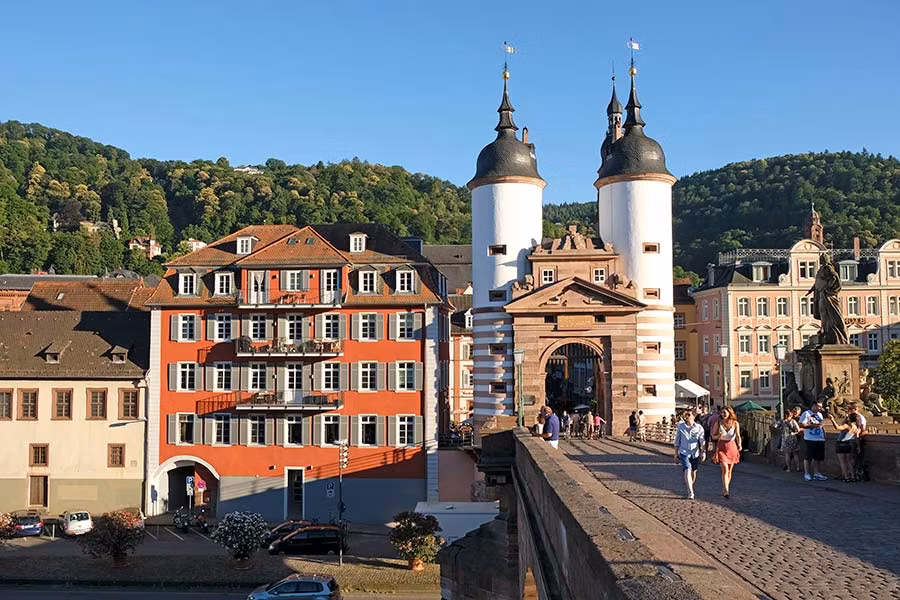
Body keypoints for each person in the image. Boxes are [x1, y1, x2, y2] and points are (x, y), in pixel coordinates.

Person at [804, 253, 849, 344]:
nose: (821, 260)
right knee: (822, 312)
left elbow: (834, 277)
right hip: (821, 293)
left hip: (827, 295)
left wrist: (828, 288)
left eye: (822, 258)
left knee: (827, 312)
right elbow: (818, 281)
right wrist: (812, 289)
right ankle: (824, 329)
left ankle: (827, 330)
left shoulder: (828, 268)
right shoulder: (821, 269)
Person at [674, 409, 706, 499]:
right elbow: (677, 441)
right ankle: (690, 492)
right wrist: (676, 454)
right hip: (684, 452)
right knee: (687, 469)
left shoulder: (699, 427)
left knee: (693, 472)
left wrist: (703, 452)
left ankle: (689, 485)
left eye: (688, 414)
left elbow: (702, 440)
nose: (686, 416)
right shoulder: (681, 426)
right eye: (686, 414)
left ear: (693, 416)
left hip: (695, 453)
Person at [713, 407, 742, 498]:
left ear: (730, 413)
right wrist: (718, 436)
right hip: (721, 447)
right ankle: (726, 490)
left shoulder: (735, 423)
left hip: (732, 447)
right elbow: (713, 436)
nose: (723, 414)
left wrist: (739, 444)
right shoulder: (718, 423)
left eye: (725, 412)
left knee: (729, 471)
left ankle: (726, 487)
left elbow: (738, 435)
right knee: (725, 468)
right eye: (722, 412)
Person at [799, 400, 828, 481]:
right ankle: (807, 473)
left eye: (821, 406)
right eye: (819, 406)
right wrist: (813, 425)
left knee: (818, 458)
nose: (820, 408)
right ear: (814, 406)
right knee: (808, 457)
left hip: (820, 438)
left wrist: (824, 434)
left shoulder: (820, 415)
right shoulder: (806, 413)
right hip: (810, 438)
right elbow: (801, 424)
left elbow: (821, 426)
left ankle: (817, 473)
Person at [829, 412, 861, 481]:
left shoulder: (847, 425)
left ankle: (846, 477)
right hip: (848, 444)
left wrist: (832, 420)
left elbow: (837, 428)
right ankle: (853, 476)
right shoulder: (855, 427)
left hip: (841, 444)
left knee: (843, 462)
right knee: (849, 461)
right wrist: (858, 446)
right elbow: (856, 438)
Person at [780, 406, 803, 472]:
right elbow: (798, 430)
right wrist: (795, 432)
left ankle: (788, 468)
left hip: (785, 438)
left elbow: (776, 426)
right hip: (792, 437)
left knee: (787, 454)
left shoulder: (782, 421)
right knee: (795, 453)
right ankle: (798, 468)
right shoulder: (793, 421)